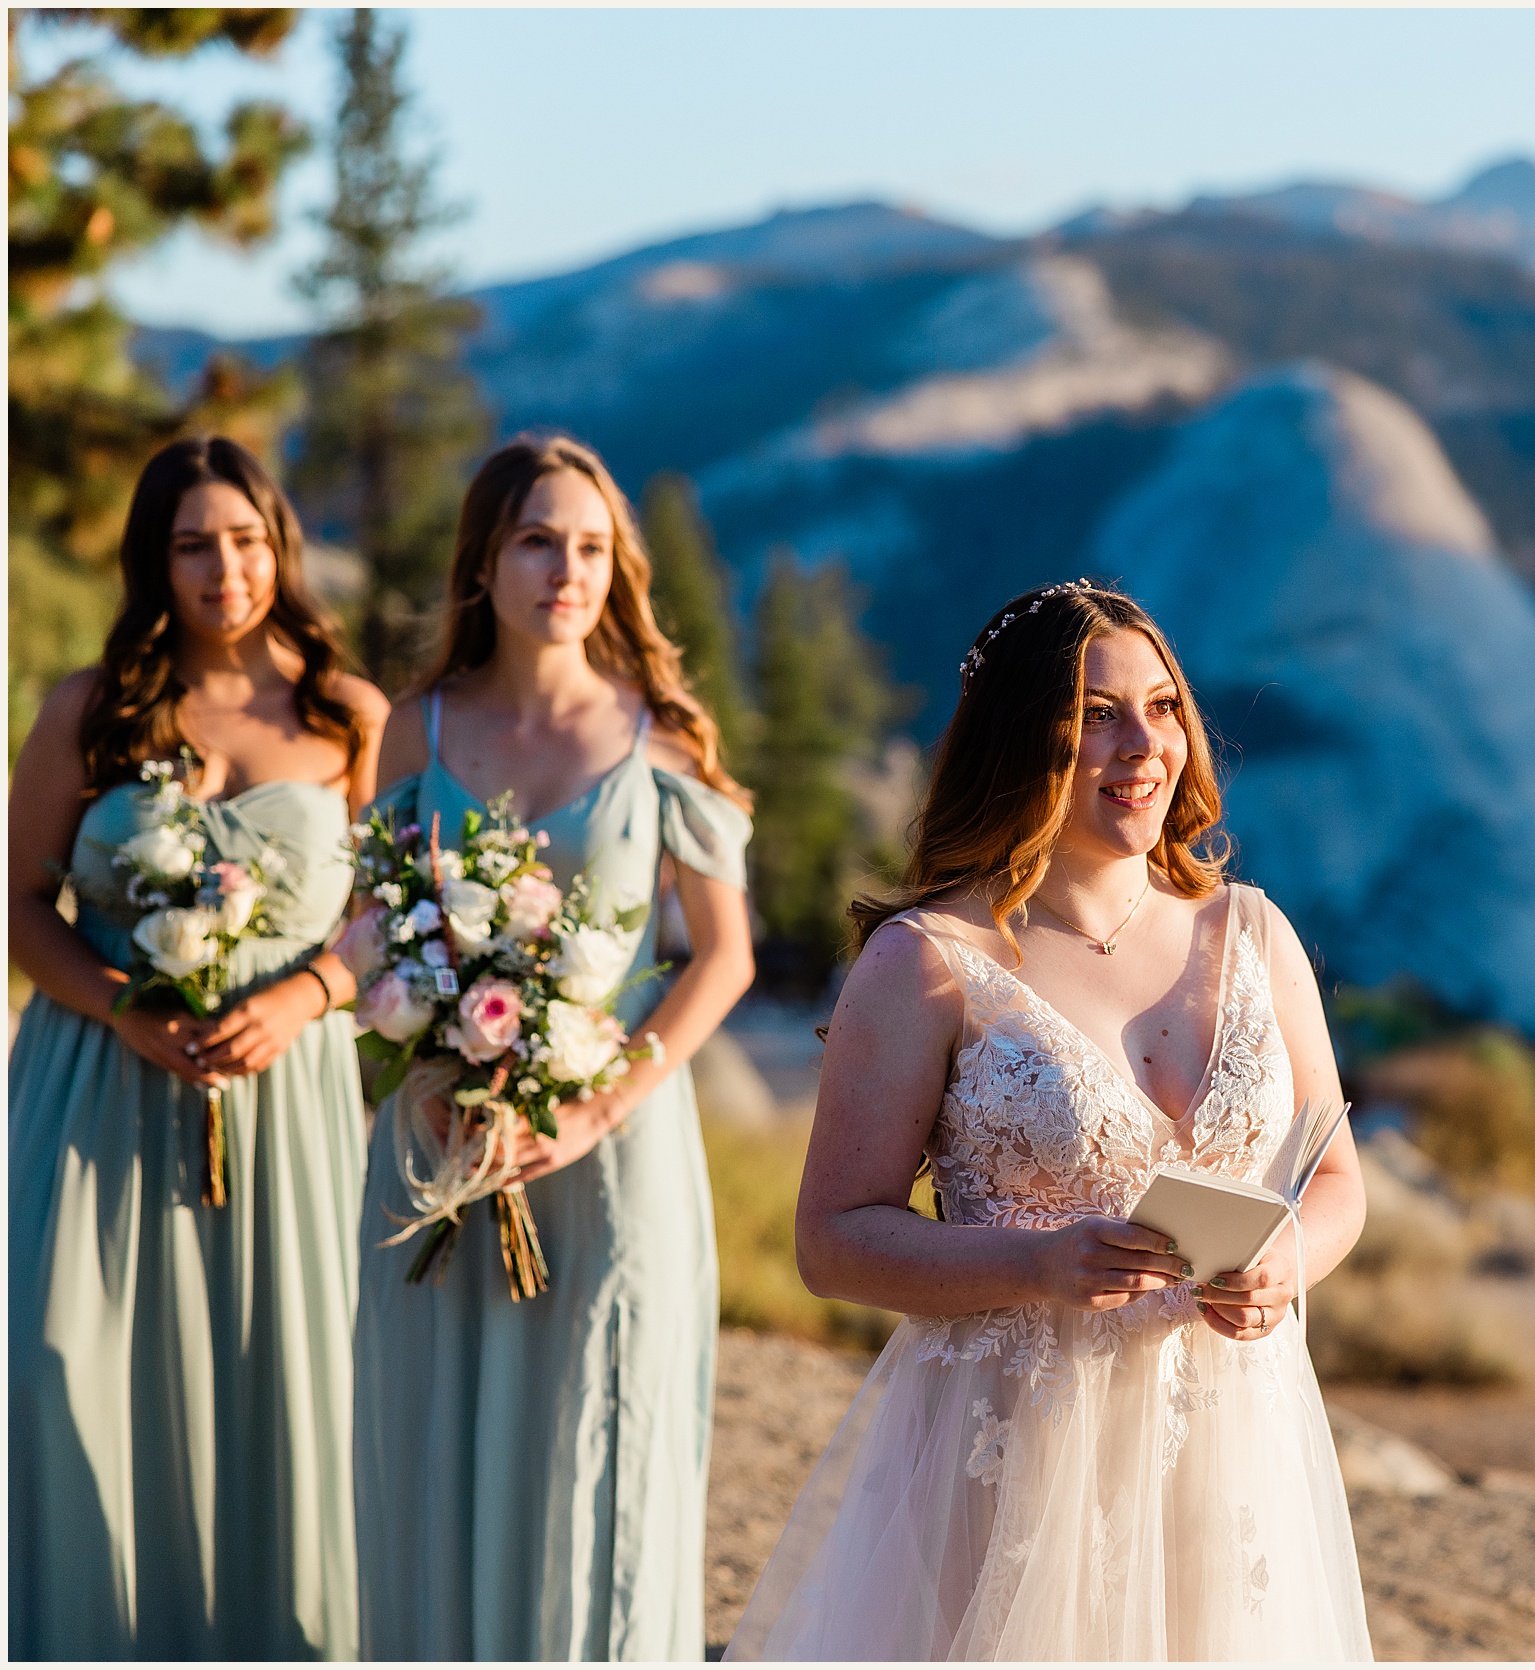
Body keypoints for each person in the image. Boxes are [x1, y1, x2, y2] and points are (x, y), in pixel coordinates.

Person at [727, 580, 1372, 1661]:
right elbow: (831, 1238)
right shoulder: (929, 961)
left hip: (1234, 1443)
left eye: (1162, 707)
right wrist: (1038, 1265)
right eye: (1095, 716)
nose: (1143, 744)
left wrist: (1284, 1263)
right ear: (1021, 741)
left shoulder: (1255, 934)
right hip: (1017, 1444)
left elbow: (1336, 1177)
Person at [352, 434, 755, 1660]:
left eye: (589, 546)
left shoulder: (661, 739)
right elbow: (369, 927)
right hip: (440, 1151)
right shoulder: (411, 733)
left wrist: (589, 1108)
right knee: (434, 1447)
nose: (565, 570)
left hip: (611, 1153)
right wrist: (430, 1070)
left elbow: (722, 957)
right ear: (482, 562)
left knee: (599, 1459)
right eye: (537, 539)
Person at [9, 437, 389, 1658]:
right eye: (191, 545)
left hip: (292, 1098)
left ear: (278, 543)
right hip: (97, 1082)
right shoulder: (91, 706)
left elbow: (393, 913)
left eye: (245, 538)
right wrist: (128, 1010)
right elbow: (18, 901)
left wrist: (310, 994)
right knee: (75, 1362)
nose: (224, 568)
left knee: (284, 1386)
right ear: (152, 560)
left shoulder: (348, 713)